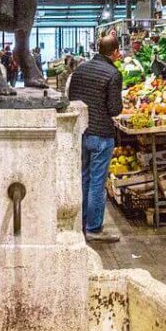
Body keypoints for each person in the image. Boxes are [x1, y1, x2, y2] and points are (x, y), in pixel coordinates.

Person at [67, 32, 123, 240]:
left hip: (81, 131)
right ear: (115, 52)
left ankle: (79, 224)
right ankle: (93, 228)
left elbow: (72, 98)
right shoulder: (113, 73)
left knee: (83, 177)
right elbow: (114, 108)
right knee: (98, 182)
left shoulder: (80, 70)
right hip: (101, 134)